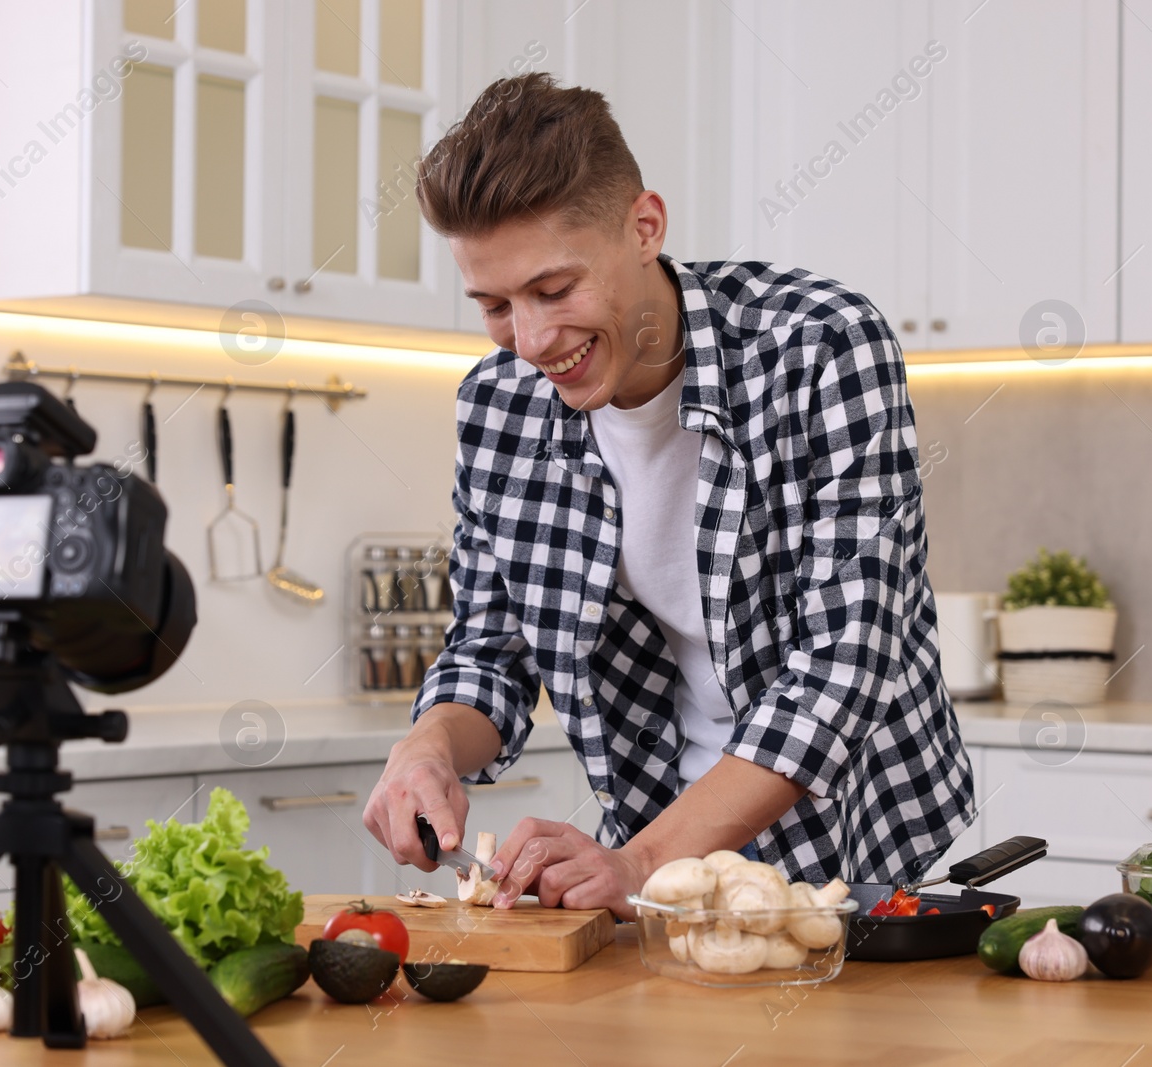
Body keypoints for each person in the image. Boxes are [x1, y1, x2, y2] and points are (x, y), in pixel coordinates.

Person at [362, 72, 974, 919]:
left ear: (644, 226)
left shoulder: (823, 348)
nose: (532, 340)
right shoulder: (496, 405)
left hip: (861, 862)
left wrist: (639, 859)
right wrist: (426, 747)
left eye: (554, 289)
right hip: (661, 875)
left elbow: (844, 665)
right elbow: (491, 650)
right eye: (496, 304)